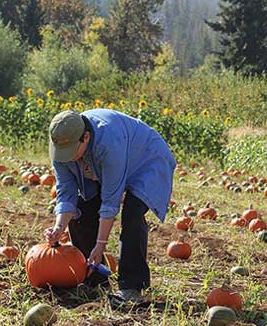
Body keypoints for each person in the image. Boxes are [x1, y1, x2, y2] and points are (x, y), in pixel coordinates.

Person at [43, 108, 176, 305]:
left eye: (71, 151)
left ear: (86, 137)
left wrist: (101, 244)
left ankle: (131, 286)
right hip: (99, 164)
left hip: (145, 160)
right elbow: (66, 192)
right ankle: (94, 279)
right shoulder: (62, 146)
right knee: (82, 210)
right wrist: (58, 228)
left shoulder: (109, 143)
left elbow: (110, 202)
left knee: (132, 214)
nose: (67, 157)